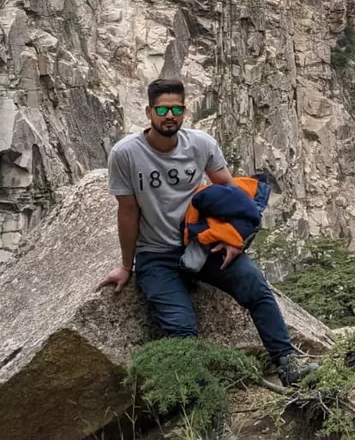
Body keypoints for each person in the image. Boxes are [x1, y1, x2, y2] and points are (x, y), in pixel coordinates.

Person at [98, 77, 317, 385]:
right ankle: (197, 401)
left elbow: (231, 194)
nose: (170, 115)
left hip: (201, 244)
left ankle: (287, 364)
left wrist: (234, 238)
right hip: (156, 256)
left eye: (177, 109)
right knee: (182, 329)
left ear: (184, 111)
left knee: (255, 287)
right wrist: (125, 265)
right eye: (162, 109)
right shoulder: (126, 154)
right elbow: (128, 211)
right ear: (149, 112)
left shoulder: (200, 144)